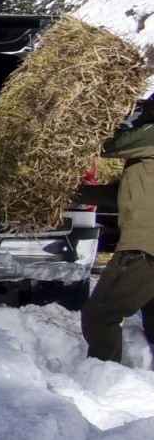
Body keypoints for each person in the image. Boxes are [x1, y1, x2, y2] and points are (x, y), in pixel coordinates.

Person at [82, 99, 154, 363]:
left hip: (145, 248)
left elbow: (110, 146)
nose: (142, 109)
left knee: (100, 315)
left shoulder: (150, 136)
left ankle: (104, 379)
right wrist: (63, 194)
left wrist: (102, 119)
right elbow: (121, 192)